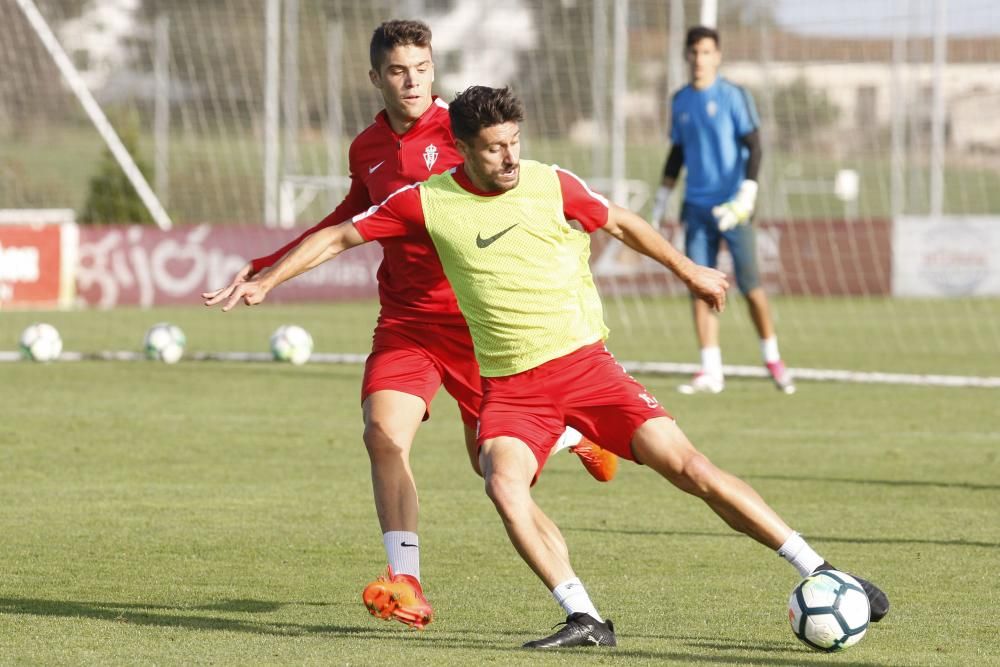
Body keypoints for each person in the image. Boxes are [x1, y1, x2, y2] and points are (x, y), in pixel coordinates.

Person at [212, 85, 890, 648]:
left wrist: (688, 270)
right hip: (512, 389)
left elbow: (620, 222)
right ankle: (585, 615)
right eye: (494, 148)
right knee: (502, 484)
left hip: (587, 369)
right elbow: (339, 231)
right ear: (466, 152)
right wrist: (270, 279)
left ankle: (825, 569)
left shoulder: (550, 184)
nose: (509, 157)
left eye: (514, 143)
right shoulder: (428, 201)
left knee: (692, 470)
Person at [202, 20, 618, 631]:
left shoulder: (463, 133)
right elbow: (349, 217)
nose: (413, 81)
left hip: (482, 325)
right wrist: (268, 267)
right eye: (399, 71)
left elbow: (522, 198)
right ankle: (406, 579)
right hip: (407, 322)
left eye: (422, 68)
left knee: (494, 473)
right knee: (381, 432)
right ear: (376, 78)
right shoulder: (366, 147)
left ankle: (568, 442)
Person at [650, 25, 794, 395]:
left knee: (751, 287)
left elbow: (755, 145)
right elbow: (677, 153)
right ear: (687, 56)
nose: (700, 59)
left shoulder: (734, 96)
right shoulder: (680, 100)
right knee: (699, 285)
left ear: (718, 56)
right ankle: (711, 370)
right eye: (694, 52)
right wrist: (662, 200)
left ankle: (773, 358)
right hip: (695, 208)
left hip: (734, 208)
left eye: (707, 52)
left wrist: (747, 194)